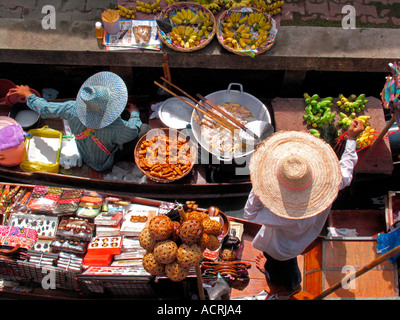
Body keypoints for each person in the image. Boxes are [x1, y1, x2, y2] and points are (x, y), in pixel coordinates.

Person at [243, 120, 364, 300]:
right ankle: (285, 280)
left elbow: (250, 214)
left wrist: (259, 183)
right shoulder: (330, 183)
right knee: (287, 263)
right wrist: (352, 139)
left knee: (279, 269)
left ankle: (285, 288)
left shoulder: (284, 214)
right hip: (301, 241)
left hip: (280, 250)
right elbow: (346, 171)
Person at [8, 71, 149, 172]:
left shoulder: (72, 108)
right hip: (104, 162)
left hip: (84, 153)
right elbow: (132, 132)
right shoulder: (116, 127)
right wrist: (135, 113)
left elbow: (45, 109)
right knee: (144, 129)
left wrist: (28, 95)